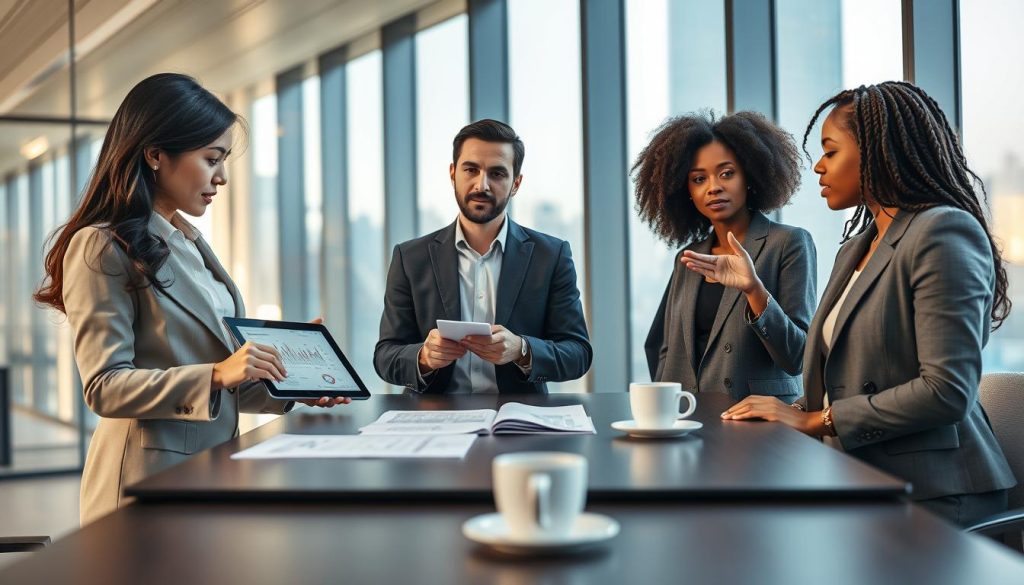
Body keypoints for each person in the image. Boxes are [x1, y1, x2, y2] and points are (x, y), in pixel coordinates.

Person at [34, 73, 348, 524]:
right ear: (156, 155)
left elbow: (216, 381)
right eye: (211, 158)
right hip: (144, 482)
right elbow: (104, 387)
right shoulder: (101, 244)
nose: (221, 177)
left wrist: (294, 384)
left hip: (209, 471)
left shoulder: (189, 241)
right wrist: (218, 373)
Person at [721, 81, 1016, 525]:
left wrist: (816, 420)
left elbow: (947, 392)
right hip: (862, 479)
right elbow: (850, 374)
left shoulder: (942, 231)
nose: (818, 166)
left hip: (936, 495)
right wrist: (791, 409)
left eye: (831, 150)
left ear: (877, 152)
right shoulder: (856, 247)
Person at [374, 119, 592, 394]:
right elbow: (385, 355)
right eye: (471, 170)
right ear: (453, 173)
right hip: (434, 421)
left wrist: (522, 350)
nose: (482, 185)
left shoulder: (551, 256)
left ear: (516, 183)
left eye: (497, 174)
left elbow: (578, 353)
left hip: (517, 421)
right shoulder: (410, 257)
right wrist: (424, 357)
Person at [634, 111, 816, 403]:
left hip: (758, 422)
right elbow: (664, 346)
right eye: (698, 179)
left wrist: (753, 289)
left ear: (750, 176)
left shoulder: (788, 243)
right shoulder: (689, 257)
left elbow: (798, 356)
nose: (713, 186)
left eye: (727, 173)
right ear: (687, 192)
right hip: (690, 418)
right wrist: (667, 406)